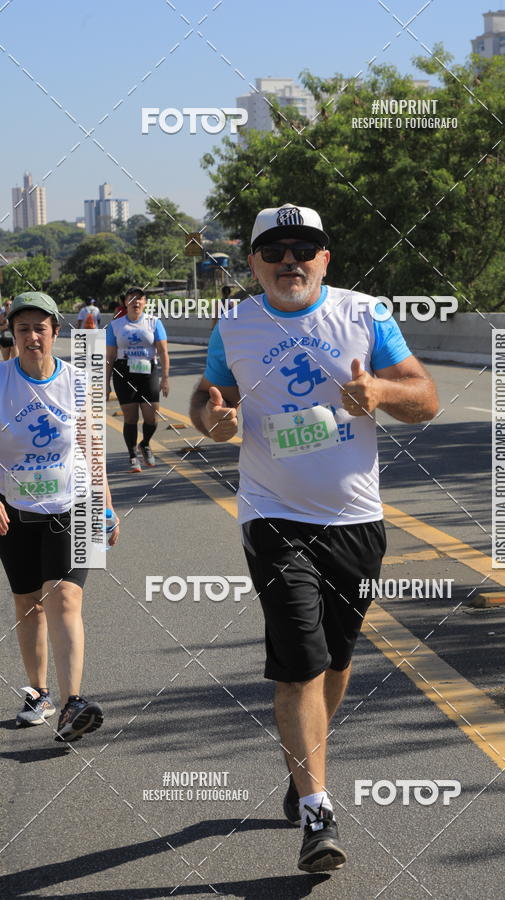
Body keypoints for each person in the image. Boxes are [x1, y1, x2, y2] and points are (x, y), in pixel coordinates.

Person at [190, 203, 439, 873]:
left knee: (334, 661)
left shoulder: (364, 314)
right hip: (273, 516)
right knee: (299, 659)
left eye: (304, 249)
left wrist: (381, 392)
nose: (288, 261)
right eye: (274, 251)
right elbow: (209, 401)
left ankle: (303, 769)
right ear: (253, 263)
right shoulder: (236, 324)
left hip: (355, 520)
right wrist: (212, 419)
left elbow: (427, 396)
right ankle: (318, 812)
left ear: (326, 259)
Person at [1, 291, 120, 741]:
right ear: (13, 333)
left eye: (40, 327)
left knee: (64, 597)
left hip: (74, 506)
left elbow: (92, 448)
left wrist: (106, 503)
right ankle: (39, 693)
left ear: (55, 331)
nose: (33, 336)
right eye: (23, 328)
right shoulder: (0, 381)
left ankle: (73, 703)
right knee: (27, 602)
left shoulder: (78, 381)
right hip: (14, 510)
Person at [105, 287, 169, 472]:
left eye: (140, 299)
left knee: (151, 416)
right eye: (131, 299)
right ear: (125, 303)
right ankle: (133, 455)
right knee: (131, 417)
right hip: (124, 372)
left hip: (148, 370)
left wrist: (165, 378)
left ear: (145, 303)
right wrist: (106, 383)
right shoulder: (115, 326)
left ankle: (145, 443)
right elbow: (110, 356)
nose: (136, 302)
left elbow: (163, 352)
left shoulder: (154, 322)